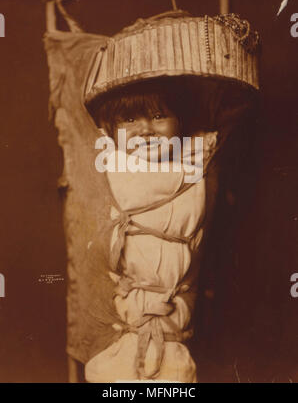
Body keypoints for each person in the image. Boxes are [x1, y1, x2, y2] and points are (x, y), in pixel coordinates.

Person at [84, 76, 246, 383]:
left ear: (181, 122)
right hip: (120, 324)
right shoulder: (107, 169)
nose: (145, 129)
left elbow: (232, 112)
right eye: (129, 119)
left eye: (160, 116)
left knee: (173, 374)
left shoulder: (197, 163)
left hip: (175, 320)